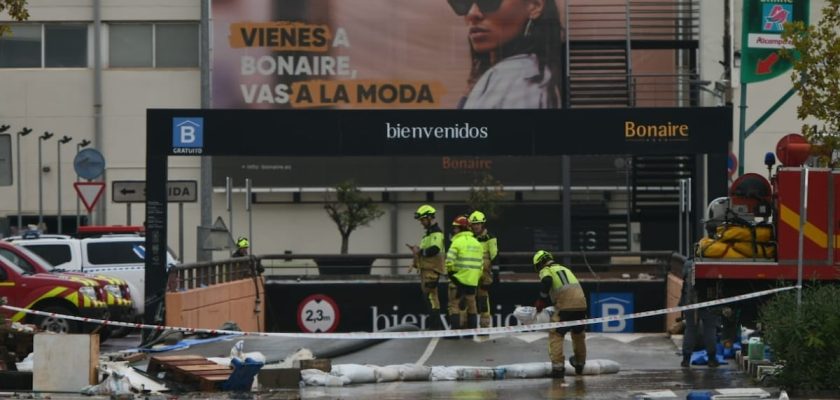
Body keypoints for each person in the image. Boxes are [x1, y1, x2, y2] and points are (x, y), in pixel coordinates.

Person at [448, 0, 563, 109]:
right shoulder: (535, 72)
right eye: (463, 2)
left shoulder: (516, 75)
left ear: (534, 5)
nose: (471, 13)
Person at [533, 250, 587, 379]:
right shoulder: (565, 269)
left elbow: (547, 281)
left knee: (556, 334)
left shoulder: (546, 270)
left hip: (565, 306)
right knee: (578, 334)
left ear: (539, 264)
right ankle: (580, 364)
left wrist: (541, 300)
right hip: (581, 304)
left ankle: (558, 368)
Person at [406, 205, 446, 330]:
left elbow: (434, 249)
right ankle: (435, 325)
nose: (421, 223)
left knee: (430, 296)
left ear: (429, 218)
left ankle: (437, 326)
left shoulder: (436, 233)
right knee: (430, 296)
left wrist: (420, 251)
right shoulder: (428, 234)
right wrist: (417, 253)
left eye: (423, 220)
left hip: (432, 270)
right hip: (426, 270)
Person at [679, 257, 721, 368]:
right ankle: (711, 359)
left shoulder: (688, 264)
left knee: (690, 329)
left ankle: (686, 359)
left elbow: (684, 285)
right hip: (708, 301)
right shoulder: (713, 263)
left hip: (689, 302)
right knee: (710, 329)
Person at [445, 215, 484, 334]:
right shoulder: (477, 243)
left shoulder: (456, 242)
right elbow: (480, 266)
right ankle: (471, 333)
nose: (454, 230)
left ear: (461, 228)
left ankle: (455, 334)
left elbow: (449, 262)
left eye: (456, 228)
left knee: (454, 305)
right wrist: (474, 278)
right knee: (472, 306)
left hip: (457, 281)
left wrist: (452, 275)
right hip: (472, 282)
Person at [468, 210, 498, 333]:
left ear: (482, 224)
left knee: (483, 299)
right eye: (474, 224)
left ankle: (485, 325)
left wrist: (495, 273)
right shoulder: (468, 237)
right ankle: (468, 326)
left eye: (478, 223)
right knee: (469, 298)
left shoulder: (490, 238)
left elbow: (494, 255)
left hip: (484, 274)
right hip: (470, 273)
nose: (476, 226)